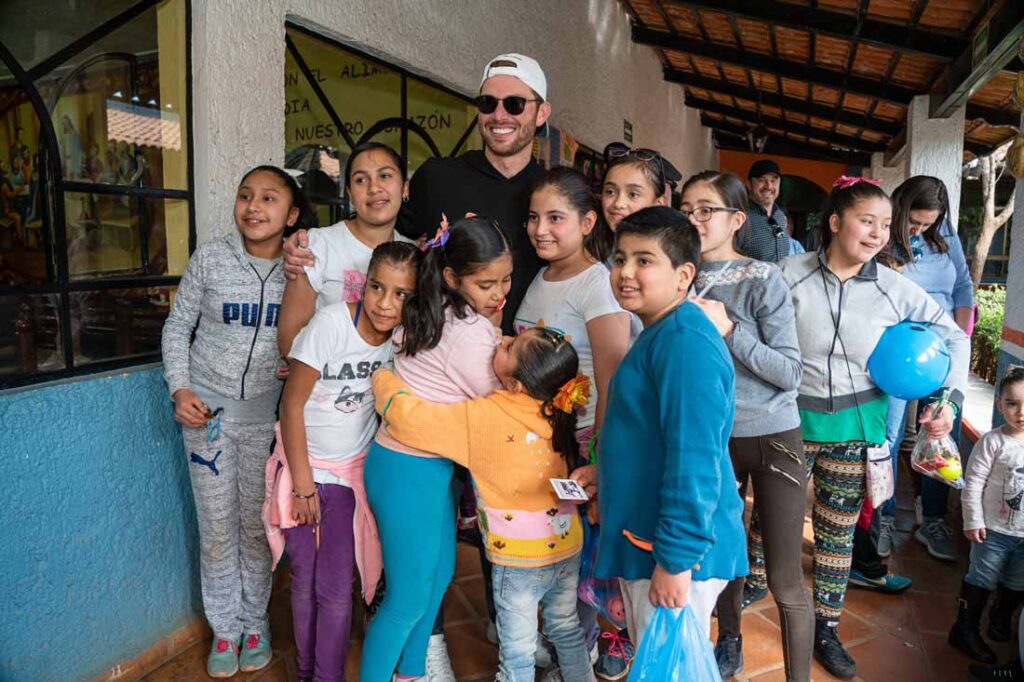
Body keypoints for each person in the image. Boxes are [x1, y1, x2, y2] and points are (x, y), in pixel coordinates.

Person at [778, 176, 970, 679]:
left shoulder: (894, 287)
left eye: (886, 225)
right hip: (787, 423)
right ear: (835, 223)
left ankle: (826, 626)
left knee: (838, 534)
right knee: (770, 524)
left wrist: (948, 398)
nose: (879, 234)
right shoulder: (786, 274)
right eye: (868, 221)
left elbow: (954, 338)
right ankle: (753, 596)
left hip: (855, 426)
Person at [371, 327, 596, 682]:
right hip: (566, 547)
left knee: (517, 652)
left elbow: (411, 420)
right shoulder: (558, 411)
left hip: (519, 558)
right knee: (565, 628)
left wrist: (384, 379)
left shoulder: (486, 417)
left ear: (515, 384)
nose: (500, 339)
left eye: (510, 346)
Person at [160, 166, 312, 678]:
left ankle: (255, 623)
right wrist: (180, 387)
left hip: (266, 425)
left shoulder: (304, 270)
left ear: (291, 215)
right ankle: (225, 629)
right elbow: (178, 325)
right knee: (217, 529)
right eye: (245, 195)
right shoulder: (212, 260)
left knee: (257, 527)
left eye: (269, 198)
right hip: (207, 419)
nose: (253, 206)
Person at [284, 54, 550, 336]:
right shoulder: (438, 177)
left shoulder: (552, 196)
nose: (499, 115)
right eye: (487, 103)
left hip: (521, 364)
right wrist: (307, 247)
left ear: (542, 113)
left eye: (515, 104)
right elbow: (382, 236)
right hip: (431, 363)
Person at [358, 215, 511, 682]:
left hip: (416, 468)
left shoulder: (433, 309)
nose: (499, 291)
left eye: (506, 279)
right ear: (451, 277)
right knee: (406, 599)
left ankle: (410, 673)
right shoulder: (470, 332)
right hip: (411, 472)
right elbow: (496, 402)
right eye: (486, 283)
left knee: (437, 578)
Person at [590, 205, 747, 642]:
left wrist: (676, 561)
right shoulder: (662, 330)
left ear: (683, 276)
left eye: (644, 261)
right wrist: (602, 473)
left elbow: (694, 458)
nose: (625, 272)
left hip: (675, 554)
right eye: (619, 259)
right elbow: (649, 438)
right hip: (657, 541)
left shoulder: (683, 343)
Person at [682, 171, 813, 682]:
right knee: (723, 554)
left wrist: (730, 328)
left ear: (737, 219)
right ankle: (729, 640)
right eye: (687, 208)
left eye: (706, 209)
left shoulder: (764, 277)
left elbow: (790, 372)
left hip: (774, 435)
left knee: (785, 579)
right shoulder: (676, 277)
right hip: (711, 437)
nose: (694, 219)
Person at [269, 241, 418, 681]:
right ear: (363, 283)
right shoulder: (332, 323)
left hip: (349, 476)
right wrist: (302, 485)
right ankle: (304, 671)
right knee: (303, 581)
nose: (385, 304)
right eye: (377, 287)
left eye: (401, 294)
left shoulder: (402, 339)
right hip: (302, 468)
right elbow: (290, 405)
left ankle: (326, 676)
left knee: (334, 589)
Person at [514, 167, 630, 678]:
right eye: (534, 217)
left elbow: (611, 377)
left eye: (556, 218)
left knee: (576, 565)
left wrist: (600, 461)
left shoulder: (597, 284)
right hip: (539, 441)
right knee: (553, 555)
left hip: (579, 446)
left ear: (587, 222)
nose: (541, 228)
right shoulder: (542, 274)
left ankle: (575, 657)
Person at [861, 176, 974, 564]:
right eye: (915, 222)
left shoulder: (947, 240)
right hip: (895, 354)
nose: (920, 230)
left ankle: (934, 519)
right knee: (888, 438)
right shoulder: (882, 241)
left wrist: (958, 337)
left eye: (929, 224)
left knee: (940, 432)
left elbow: (963, 288)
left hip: (940, 350)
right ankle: (883, 517)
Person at [278, 142, 414, 356]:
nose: (374, 188)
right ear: (350, 193)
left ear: (405, 187)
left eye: (385, 176)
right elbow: (291, 342)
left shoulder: (414, 255)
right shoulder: (316, 246)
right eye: (361, 180)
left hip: (391, 385)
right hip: (328, 385)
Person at [948, 366, 1024, 664]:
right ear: (999, 404)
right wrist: (973, 520)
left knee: (1017, 582)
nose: (1020, 412)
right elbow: (973, 484)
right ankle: (964, 629)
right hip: (992, 531)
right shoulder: (993, 442)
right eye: (1012, 403)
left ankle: (1001, 617)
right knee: (982, 578)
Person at [738, 159, 791, 262]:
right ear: (749, 184)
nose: (769, 186)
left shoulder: (780, 216)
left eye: (773, 180)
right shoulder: (740, 217)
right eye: (762, 180)